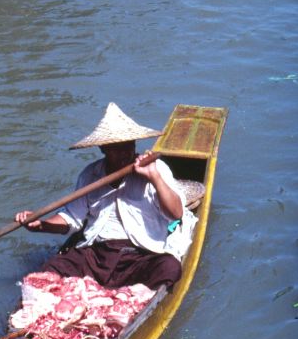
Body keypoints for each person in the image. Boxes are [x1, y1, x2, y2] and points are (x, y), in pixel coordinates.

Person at [14, 103, 196, 292]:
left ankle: (131, 300)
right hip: (97, 255)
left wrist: (154, 178)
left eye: (129, 146)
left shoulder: (155, 168)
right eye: (117, 148)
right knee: (52, 268)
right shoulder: (90, 175)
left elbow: (176, 214)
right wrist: (41, 225)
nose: (125, 153)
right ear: (103, 149)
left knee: (169, 267)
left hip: (141, 255)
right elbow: (71, 219)